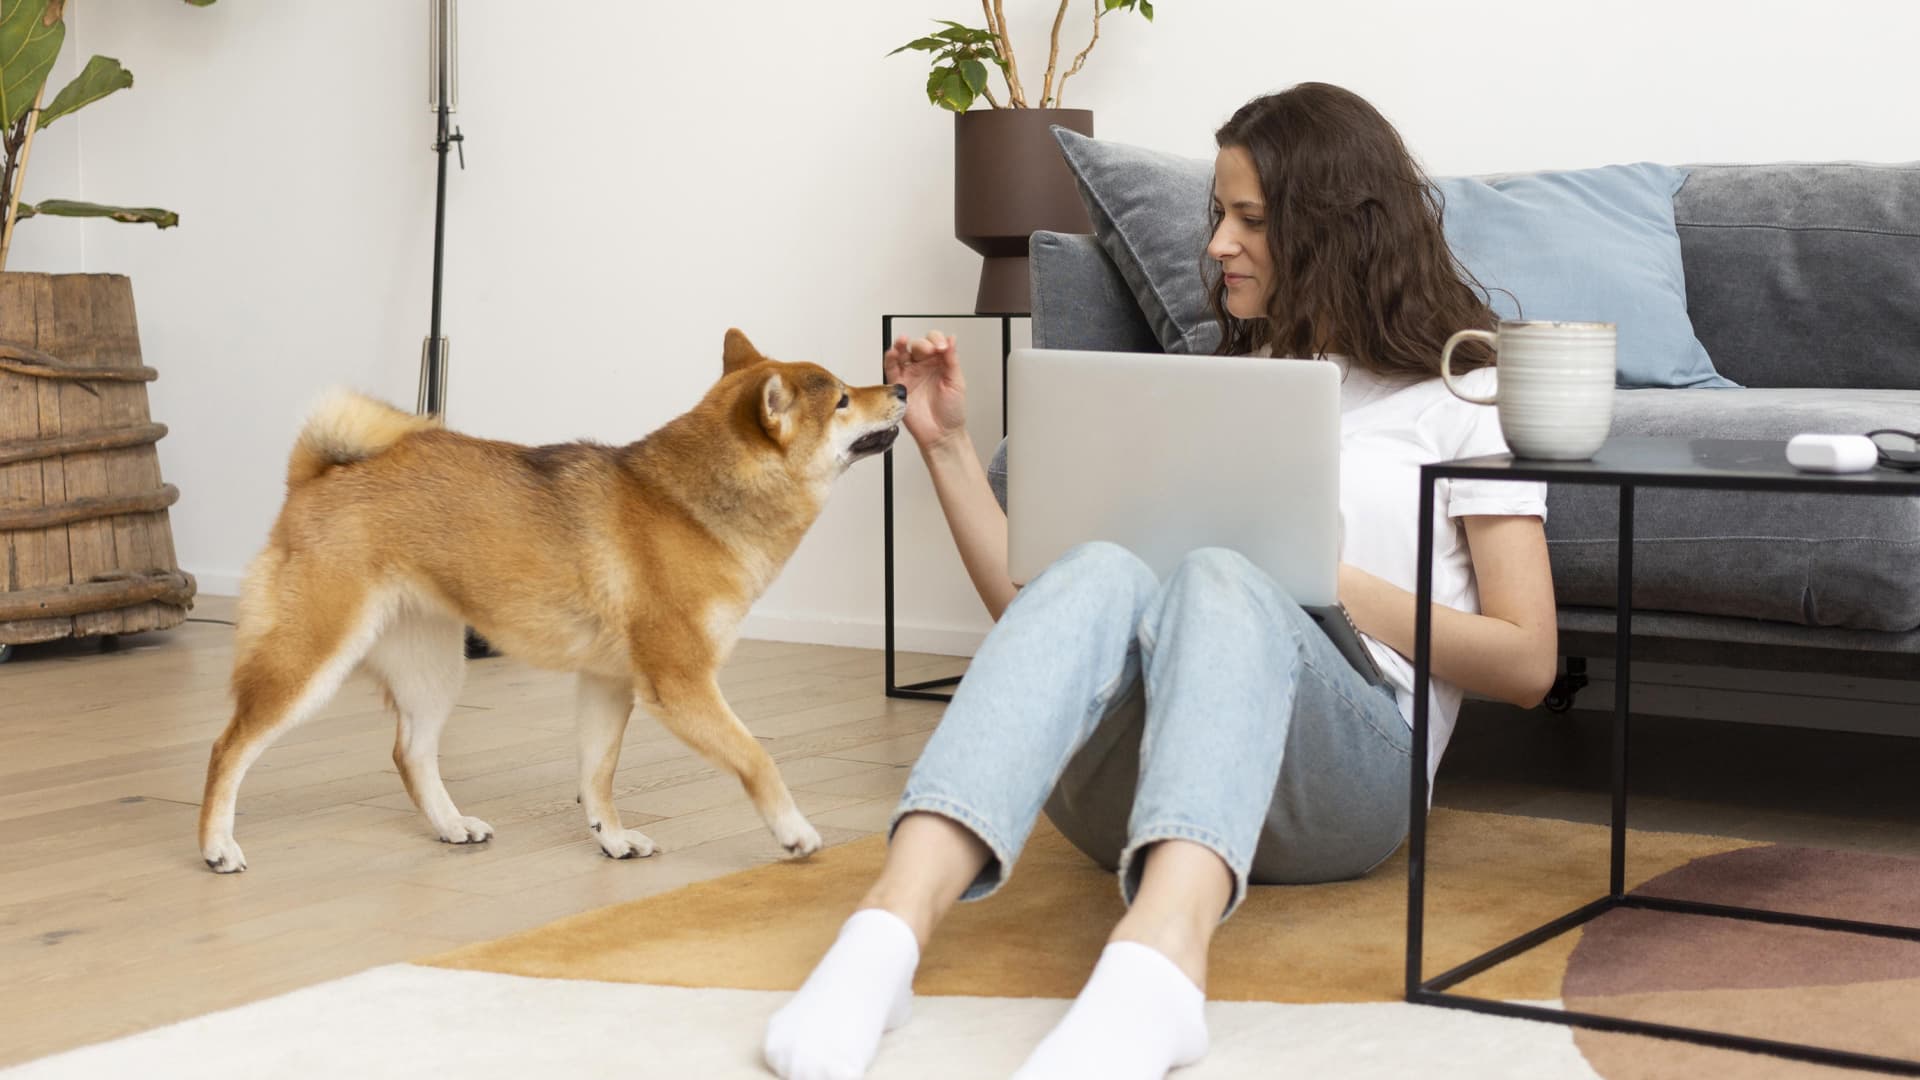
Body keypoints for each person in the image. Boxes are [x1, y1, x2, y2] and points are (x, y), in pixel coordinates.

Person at [762, 82, 1558, 1080]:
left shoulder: (1465, 395)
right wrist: (950, 446)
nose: (1219, 243)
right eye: (1218, 215)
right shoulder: (1217, 385)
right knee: (1095, 569)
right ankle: (883, 937)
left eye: (1250, 219)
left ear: (1334, 230)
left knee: (1224, 574)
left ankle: (1160, 963)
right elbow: (1034, 622)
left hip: (1344, 784)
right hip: (1125, 803)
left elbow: (1530, 661)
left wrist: (1314, 579)